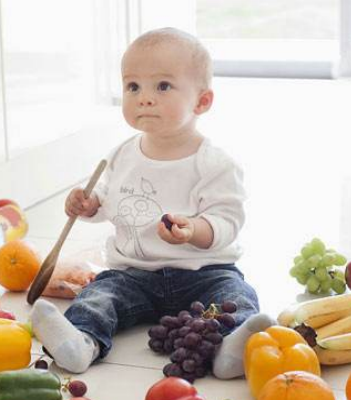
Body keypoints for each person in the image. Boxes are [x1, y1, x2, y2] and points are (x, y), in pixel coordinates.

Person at [30, 27, 273, 380]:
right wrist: (89, 204)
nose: (144, 98)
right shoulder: (122, 155)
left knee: (235, 295)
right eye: (133, 87)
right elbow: (108, 203)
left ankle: (229, 347)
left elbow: (226, 220)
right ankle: (81, 341)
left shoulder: (215, 163)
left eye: (162, 86)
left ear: (202, 101)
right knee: (99, 297)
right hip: (133, 274)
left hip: (203, 272)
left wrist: (193, 230)